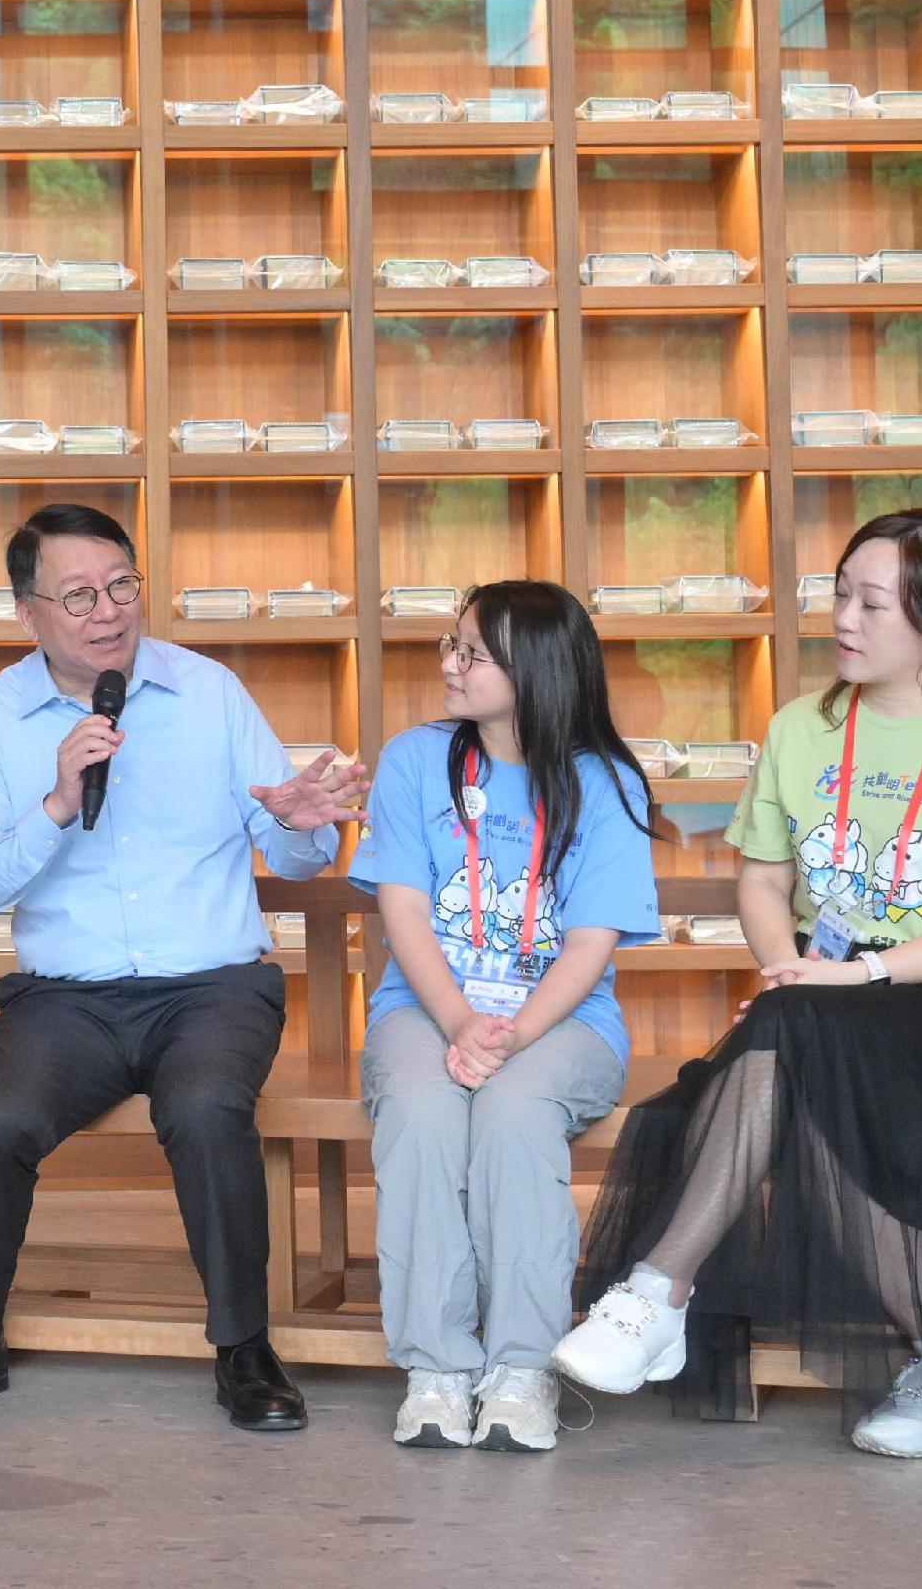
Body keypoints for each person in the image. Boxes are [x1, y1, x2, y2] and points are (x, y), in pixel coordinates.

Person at [553, 508, 922, 1457]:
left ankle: (658, 1290)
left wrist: (861, 973)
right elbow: (764, 878)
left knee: (793, 1047)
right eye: (838, 594)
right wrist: (790, 965)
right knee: (799, 1049)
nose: (842, 619)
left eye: (871, 603)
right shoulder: (802, 729)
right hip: (817, 987)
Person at [0, 503, 371, 1431]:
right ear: (28, 615)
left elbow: (291, 848)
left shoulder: (210, 692)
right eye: (77, 596)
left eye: (121, 586)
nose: (108, 611)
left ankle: (244, 1349)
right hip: (67, 1002)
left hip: (211, 989)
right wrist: (58, 801)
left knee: (205, 1107)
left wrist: (305, 828)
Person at [353, 582, 657, 1452]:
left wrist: (512, 1036)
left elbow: (591, 942)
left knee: (516, 1113)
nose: (450, 665)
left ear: (537, 670)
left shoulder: (605, 782)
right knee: (420, 1111)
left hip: (563, 1022)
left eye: (472, 653)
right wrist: (458, 1023)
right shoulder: (416, 761)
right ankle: (437, 1367)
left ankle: (522, 1366)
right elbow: (404, 911)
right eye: (453, 646)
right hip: (425, 1009)